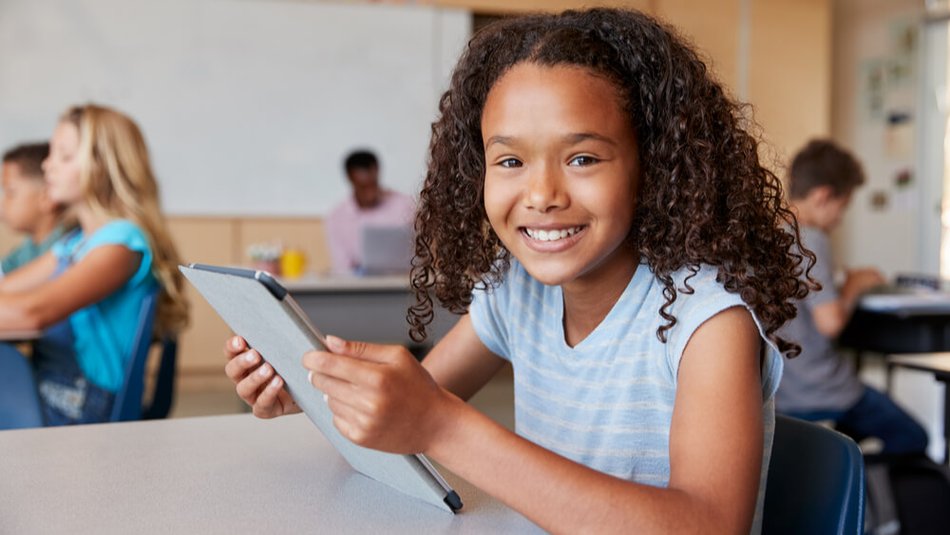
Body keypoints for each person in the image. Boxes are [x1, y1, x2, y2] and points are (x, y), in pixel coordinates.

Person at [224, 8, 812, 533]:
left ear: (653, 168)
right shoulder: (516, 291)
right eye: (509, 160)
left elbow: (708, 526)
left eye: (582, 158)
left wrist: (445, 428)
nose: (541, 194)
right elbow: (417, 405)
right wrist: (316, 394)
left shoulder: (707, 321)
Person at [0, 104, 189, 425]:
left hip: (80, 404)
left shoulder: (122, 244)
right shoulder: (73, 244)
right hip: (47, 387)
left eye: (65, 156)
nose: (48, 165)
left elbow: (32, 313)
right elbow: (6, 289)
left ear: (102, 167)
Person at [777, 139, 928, 455]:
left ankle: (840, 462)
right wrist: (854, 287)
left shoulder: (771, 229)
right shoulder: (811, 237)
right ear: (823, 196)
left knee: (849, 436)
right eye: (842, 208)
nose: (839, 219)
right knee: (914, 437)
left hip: (781, 394)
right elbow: (830, 322)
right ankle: (865, 489)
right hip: (820, 390)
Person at [324, 150, 415, 274]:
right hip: (360, 289)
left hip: (403, 282)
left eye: (373, 184)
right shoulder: (337, 217)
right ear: (350, 179)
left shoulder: (406, 205)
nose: (370, 193)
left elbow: (419, 255)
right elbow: (343, 268)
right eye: (363, 187)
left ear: (377, 173)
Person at [1, 142, 69, 276]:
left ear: (46, 198)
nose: (1, 203)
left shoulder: (65, 246)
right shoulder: (28, 248)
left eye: (10, 192)